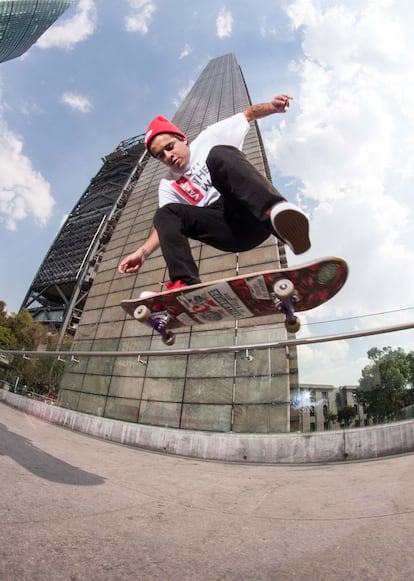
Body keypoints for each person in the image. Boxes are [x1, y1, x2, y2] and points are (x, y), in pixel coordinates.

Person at [118, 94, 310, 290]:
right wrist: (142, 253)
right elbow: (165, 225)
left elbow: (249, 114)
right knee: (165, 213)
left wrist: (273, 106)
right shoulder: (167, 184)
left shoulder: (209, 137)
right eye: (161, 155)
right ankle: (185, 283)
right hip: (226, 231)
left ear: (182, 139)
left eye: (170, 147)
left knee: (218, 154)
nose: (169, 156)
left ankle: (278, 217)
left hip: (251, 213)